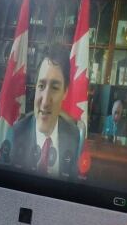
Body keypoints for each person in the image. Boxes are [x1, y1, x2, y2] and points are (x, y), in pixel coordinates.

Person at [10, 44, 80, 177]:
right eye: (41, 86)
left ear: (65, 92)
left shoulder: (75, 137)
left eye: (54, 88)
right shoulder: (15, 134)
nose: (46, 101)